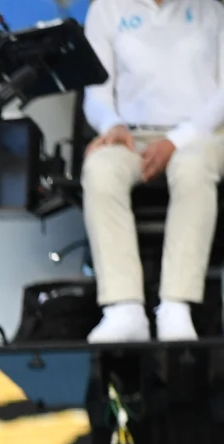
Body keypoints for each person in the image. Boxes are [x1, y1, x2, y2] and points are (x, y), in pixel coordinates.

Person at [80, 0, 224, 343]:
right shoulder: (107, 8)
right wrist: (111, 124)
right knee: (100, 168)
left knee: (192, 167)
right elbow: (95, 94)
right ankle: (123, 307)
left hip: (202, 134)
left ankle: (176, 305)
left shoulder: (213, 10)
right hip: (133, 135)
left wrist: (175, 141)